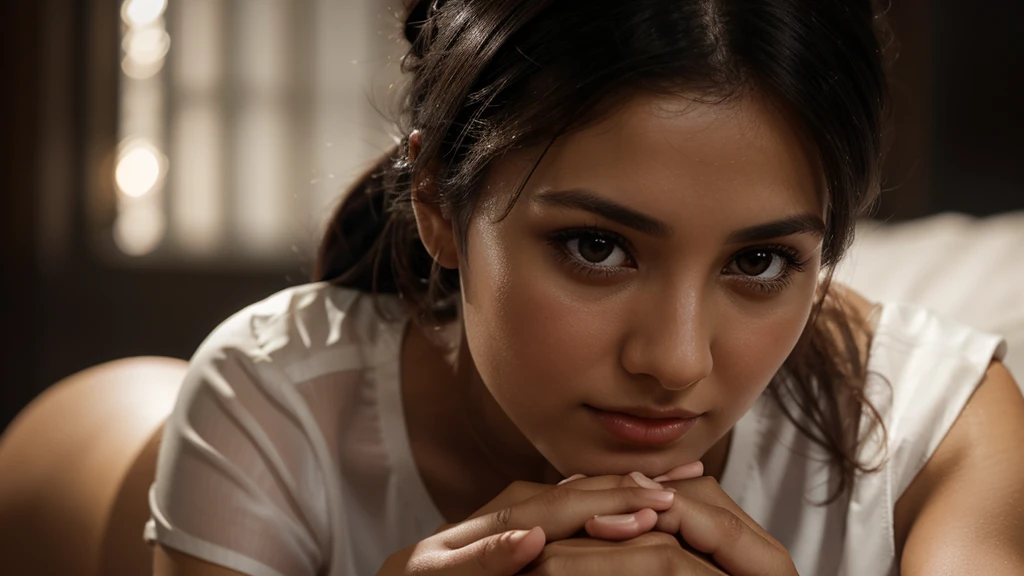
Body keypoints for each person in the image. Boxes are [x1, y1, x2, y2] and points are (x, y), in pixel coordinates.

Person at [146, 1, 1024, 575]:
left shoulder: (942, 435)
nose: (675, 361)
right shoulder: (272, 405)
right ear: (437, 202)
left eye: (758, 263)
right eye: (597, 247)